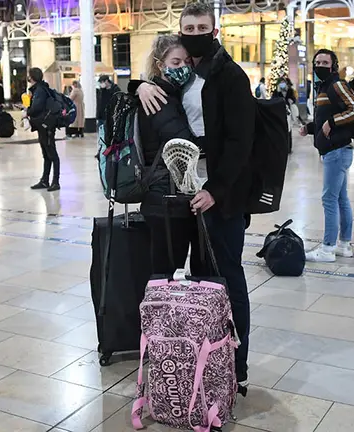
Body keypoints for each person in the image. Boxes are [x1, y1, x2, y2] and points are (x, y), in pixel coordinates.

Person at [134, 1, 256, 393]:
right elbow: (152, 91)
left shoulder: (230, 76)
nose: (195, 33)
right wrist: (141, 85)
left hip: (221, 198)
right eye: (189, 28)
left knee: (224, 280)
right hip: (181, 196)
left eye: (202, 27)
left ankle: (235, 366)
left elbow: (242, 143)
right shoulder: (184, 76)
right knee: (189, 282)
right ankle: (194, 358)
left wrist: (214, 191)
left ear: (214, 30)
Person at [136, 35, 204, 277]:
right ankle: (157, 314)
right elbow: (184, 142)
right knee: (164, 273)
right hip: (166, 199)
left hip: (165, 197)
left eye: (186, 62)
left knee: (165, 269)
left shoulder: (167, 93)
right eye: (175, 62)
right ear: (160, 64)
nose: (183, 68)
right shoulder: (160, 98)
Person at [299, 49, 354, 263]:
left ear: (333, 66)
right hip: (335, 150)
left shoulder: (337, 84)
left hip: (337, 150)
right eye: (317, 62)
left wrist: (332, 122)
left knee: (329, 199)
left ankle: (327, 249)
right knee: (341, 199)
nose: (320, 66)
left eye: (325, 62)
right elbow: (324, 117)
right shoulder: (323, 87)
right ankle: (344, 245)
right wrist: (310, 127)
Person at [25, 67, 61, 192]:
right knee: (46, 154)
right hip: (42, 126)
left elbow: (36, 108)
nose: (28, 78)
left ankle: (55, 181)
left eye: (29, 76)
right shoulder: (39, 89)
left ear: (32, 77)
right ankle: (45, 180)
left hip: (47, 126)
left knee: (52, 154)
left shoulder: (40, 90)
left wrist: (27, 111)